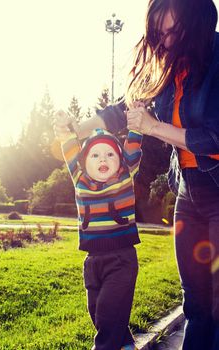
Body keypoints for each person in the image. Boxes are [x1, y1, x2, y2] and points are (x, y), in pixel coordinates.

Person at [54, 1, 219, 349]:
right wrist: (74, 128)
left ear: (199, 22)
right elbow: (124, 111)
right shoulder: (166, 67)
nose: (166, 42)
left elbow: (214, 137)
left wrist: (154, 127)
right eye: (159, 33)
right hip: (188, 193)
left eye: (174, 32)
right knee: (196, 303)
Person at [53, 112, 143, 350]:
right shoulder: (80, 179)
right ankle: (125, 343)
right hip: (92, 260)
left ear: (120, 160)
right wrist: (64, 130)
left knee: (108, 312)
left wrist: (136, 124)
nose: (103, 158)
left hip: (122, 259)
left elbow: (133, 147)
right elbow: (70, 147)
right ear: (84, 162)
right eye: (95, 154)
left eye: (110, 154)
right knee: (96, 311)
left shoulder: (124, 176)